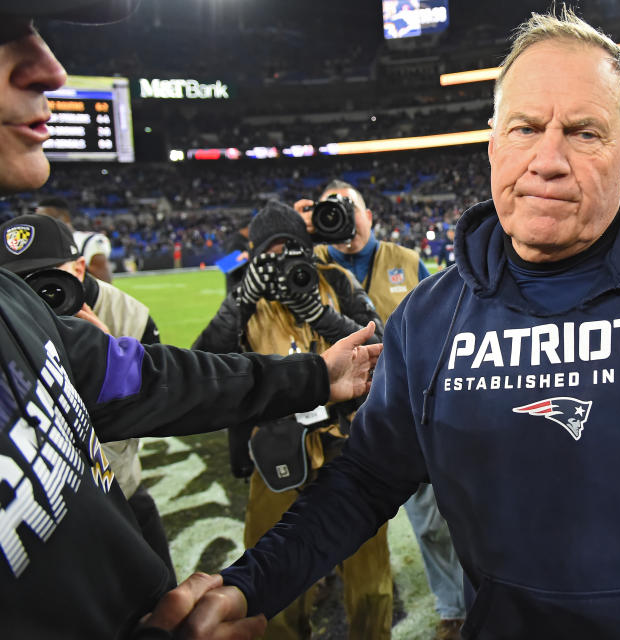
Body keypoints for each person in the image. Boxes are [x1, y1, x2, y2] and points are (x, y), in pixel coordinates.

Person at [180, 7, 620, 639]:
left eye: (583, 132)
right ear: (494, 142)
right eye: (525, 127)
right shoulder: (434, 315)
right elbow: (363, 482)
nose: (546, 160)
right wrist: (251, 585)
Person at [0, 2, 382, 637]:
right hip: (272, 464)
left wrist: (318, 369)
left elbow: (149, 377)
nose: (53, 69)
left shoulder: (14, 306)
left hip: (335, 449)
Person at [192, 199, 392, 640]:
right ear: (259, 256)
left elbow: (379, 342)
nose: (284, 260)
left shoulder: (335, 280)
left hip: (349, 448)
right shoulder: (244, 296)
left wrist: (322, 316)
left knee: (371, 585)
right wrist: (241, 301)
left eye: (292, 248)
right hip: (275, 454)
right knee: (272, 590)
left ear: (307, 247)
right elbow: (202, 363)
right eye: (272, 252)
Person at [296, 180, 467, 638]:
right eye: (330, 209)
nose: (343, 217)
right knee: (339, 515)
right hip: (333, 424)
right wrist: (297, 236)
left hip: (405, 414)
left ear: (369, 213)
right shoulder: (308, 266)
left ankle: (454, 606)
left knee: (434, 521)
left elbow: (446, 323)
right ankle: (326, 576)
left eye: (349, 206)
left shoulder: (406, 261)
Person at [0, 213, 173, 573]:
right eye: (16, 284)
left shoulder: (129, 315)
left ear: (79, 268)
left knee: (162, 595)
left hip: (119, 489)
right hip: (44, 507)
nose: (33, 295)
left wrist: (110, 359)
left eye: (47, 279)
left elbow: (155, 406)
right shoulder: (6, 316)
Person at [36, 196, 114, 282]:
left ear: (64, 218)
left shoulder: (90, 241)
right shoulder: (41, 245)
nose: (40, 223)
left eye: (45, 218)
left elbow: (104, 283)